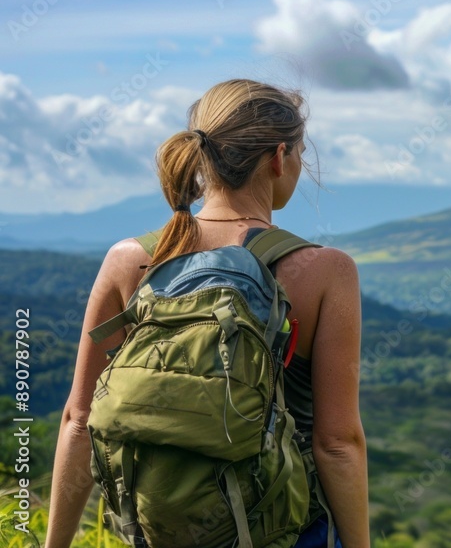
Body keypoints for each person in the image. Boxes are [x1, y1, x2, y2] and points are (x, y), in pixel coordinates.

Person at [43, 79, 370, 548]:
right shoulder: (324, 272)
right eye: (299, 152)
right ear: (279, 157)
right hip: (288, 530)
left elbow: (79, 418)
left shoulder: (127, 259)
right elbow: (338, 443)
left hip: (160, 530)